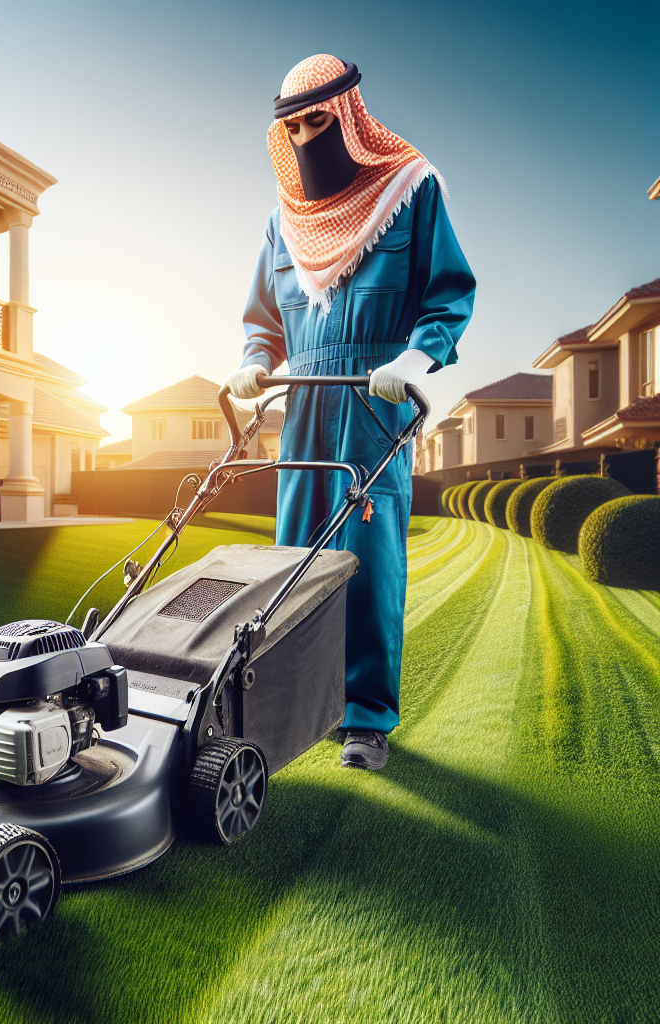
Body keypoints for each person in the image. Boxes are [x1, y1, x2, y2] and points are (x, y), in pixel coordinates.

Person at [224, 54, 475, 770]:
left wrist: (413, 362)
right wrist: (252, 362)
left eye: (318, 120)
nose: (305, 135)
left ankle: (365, 718)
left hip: (375, 400)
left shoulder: (409, 188)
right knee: (291, 559)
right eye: (293, 124)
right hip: (302, 405)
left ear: (350, 116)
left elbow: (449, 293)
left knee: (368, 562)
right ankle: (287, 704)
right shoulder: (282, 222)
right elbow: (262, 320)